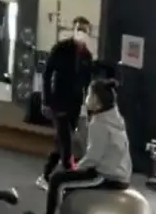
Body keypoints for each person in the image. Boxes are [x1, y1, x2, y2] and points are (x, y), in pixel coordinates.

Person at [32, 79, 131, 214]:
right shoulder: (115, 119)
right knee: (68, 177)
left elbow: (93, 158)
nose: (87, 98)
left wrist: (76, 168)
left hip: (107, 177)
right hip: (120, 174)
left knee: (57, 180)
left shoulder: (99, 123)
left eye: (89, 95)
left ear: (97, 100)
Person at [38, 15, 96, 188]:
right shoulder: (61, 48)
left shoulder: (87, 56)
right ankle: (67, 179)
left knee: (61, 142)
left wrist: (89, 107)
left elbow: (87, 83)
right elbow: (47, 74)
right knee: (66, 143)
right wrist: (46, 100)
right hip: (59, 101)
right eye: (79, 29)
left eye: (85, 30)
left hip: (75, 104)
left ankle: (46, 175)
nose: (81, 32)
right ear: (74, 29)